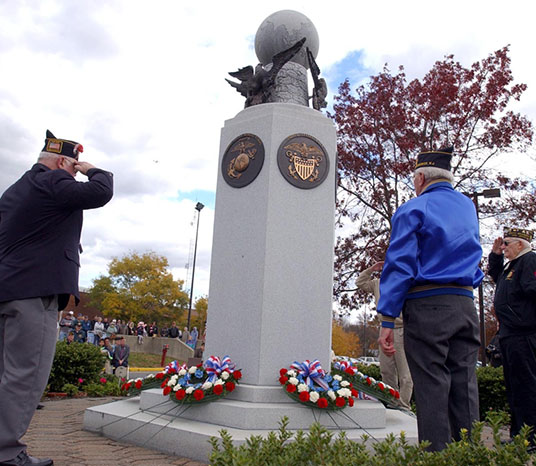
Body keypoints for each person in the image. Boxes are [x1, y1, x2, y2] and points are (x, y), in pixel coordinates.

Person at [0, 130, 113, 466]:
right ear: (64, 161)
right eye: (72, 165)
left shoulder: (16, 189)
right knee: (25, 375)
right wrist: (92, 169)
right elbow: (101, 191)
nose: (74, 172)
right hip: (34, 292)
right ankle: (6, 452)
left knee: (6, 374)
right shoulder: (52, 182)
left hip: (8, 288)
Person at [376, 147, 483, 452]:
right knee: (464, 383)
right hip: (464, 303)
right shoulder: (467, 208)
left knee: (432, 386)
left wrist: (387, 317)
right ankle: (469, 454)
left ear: (420, 177)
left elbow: (400, 265)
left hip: (428, 305)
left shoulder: (414, 209)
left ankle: (437, 456)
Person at [488, 227, 536, 449]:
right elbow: (496, 276)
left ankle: (532, 436)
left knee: (527, 385)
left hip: (524, 334)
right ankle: (519, 433)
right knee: (514, 387)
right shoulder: (511, 266)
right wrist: (495, 256)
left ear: (520, 245)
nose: (504, 247)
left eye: (507, 244)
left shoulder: (529, 261)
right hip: (509, 334)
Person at [356, 261, 413, 409]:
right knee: (386, 370)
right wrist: (371, 269)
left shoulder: (405, 282)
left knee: (405, 374)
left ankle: (404, 406)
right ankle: (391, 402)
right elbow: (360, 282)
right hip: (384, 329)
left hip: (401, 329)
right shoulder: (377, 283)